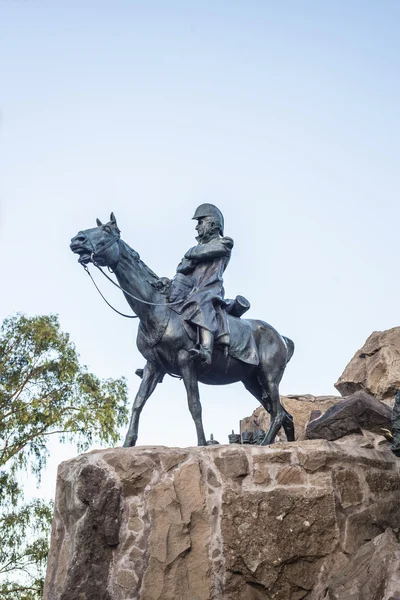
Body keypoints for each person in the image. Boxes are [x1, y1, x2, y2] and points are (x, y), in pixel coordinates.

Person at [169, 204, 233, 366]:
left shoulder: (225, 242)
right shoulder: (199, 247)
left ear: (212, 224)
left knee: (200, 300)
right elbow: (181, 267)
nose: (197, 227)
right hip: (189, 288)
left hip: (209, 289)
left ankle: (206, 349)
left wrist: (191, 254)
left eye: (200, 222)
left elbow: (201, 253)